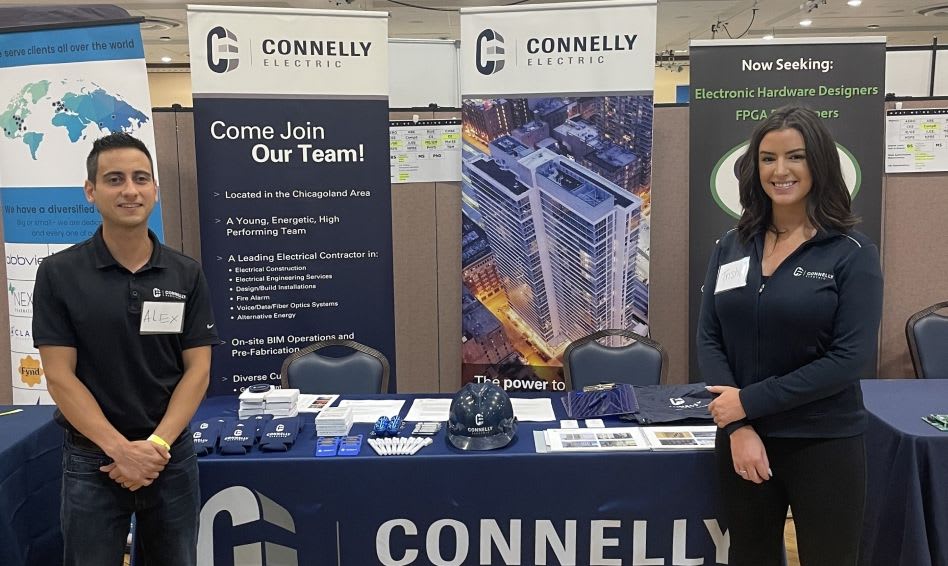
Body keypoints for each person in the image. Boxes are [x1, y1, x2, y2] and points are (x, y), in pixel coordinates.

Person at [697, 106, 883, 566]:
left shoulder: (851, 254)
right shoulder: (732, 244)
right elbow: (709, 335)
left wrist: (749, 402)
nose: (780, 171)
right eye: (767, 158)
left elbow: (849, 359)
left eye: (795, 157)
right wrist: (739, 426)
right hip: (744, 441)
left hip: (824, 442)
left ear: (818, 163)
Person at [32, 132, 218, 566]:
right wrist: (120, 450)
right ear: (91, 192)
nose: (130, 190)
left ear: (154, 190)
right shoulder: (59, 273)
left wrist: (153, 448)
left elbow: (198, 372)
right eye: (114, 179)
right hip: (92, 460)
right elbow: (59, 376)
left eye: (140, 178)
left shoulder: (185, 274)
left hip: (168, 457)